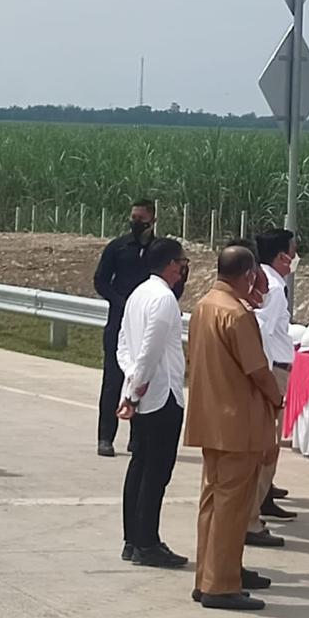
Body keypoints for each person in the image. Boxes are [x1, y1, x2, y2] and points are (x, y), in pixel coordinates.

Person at [185, 245, 283, 611]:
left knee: (213, 502)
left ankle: (209, 575)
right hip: (238, 422)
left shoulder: (204, 305)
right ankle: (221, 584)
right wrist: (277, 397)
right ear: (248, 275)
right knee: (233, 506)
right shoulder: (237, 314)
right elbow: (257, 370)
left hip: (211, 418)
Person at [116, 237, 190, 568]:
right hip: (160, 394)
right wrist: (136, 389)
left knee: (140, 466)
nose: (183, 269)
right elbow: (149, 349)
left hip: (142, 390)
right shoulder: (163, 299)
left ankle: (134, 539)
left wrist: (132, 381)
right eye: (182, 263)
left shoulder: (138, 293)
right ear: (171, 264)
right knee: (155, 473)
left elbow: (124, 346)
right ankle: (146, 542)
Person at [245, 229, 298, 546]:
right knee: (267, 448)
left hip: (273, 368)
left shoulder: (263, 281)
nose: (295, 258)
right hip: (273, 371)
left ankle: (257, 509)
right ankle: (250, 520)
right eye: (293, 252)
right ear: (281, 256)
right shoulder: (273, 288)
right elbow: (261, 331)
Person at [93, 199, 157, 457]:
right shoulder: (117, 247)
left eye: (141, 218)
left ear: (152, 220)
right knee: (113, 382)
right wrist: (121, 302)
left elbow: (173, 283)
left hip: (146, 326)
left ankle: (138, 438)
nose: (136, 222)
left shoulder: (159, 251)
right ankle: (105, 437)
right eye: (133, 217)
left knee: (142, 381)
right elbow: (101, 281)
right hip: (118, 324)